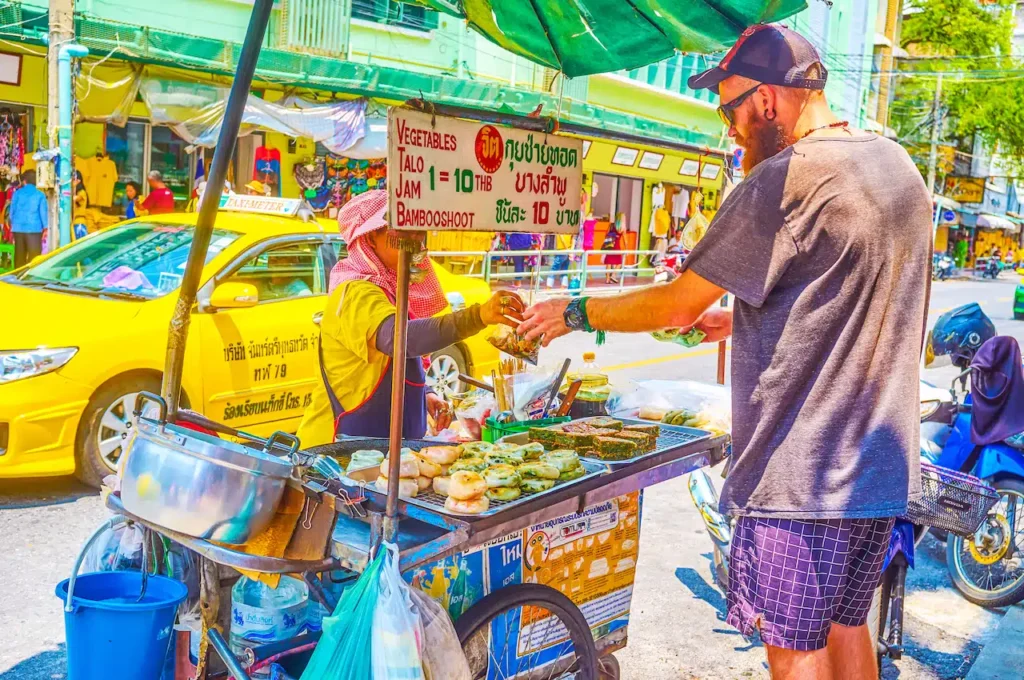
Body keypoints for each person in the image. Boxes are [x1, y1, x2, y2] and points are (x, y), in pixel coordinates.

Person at [518, 24, 931, 680]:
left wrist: (574, 311)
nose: (728, 129)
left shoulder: (784, 180)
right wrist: (739, 321)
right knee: (850, 633)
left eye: (730, 109)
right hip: (877, 469)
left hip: (801, 477)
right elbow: (854, 295)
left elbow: (675, 302)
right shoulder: (896, 167)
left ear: (769, 101)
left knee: (795, 654)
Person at [296, 190, 524, 446]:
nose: (417, 239)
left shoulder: (390, 292)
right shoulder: (356, 292)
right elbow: (399, 339)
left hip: (384, 451)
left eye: (419, 229)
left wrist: (422, 396)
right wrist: (477, 316)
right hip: (337, 451)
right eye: (404, 230)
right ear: (371, 238)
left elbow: (384, 366)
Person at [9, 170, 47, 267]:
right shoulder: (40, 195)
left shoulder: (17, 193)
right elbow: (43, 213)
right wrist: (45, 228)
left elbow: (11, 212)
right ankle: (31, 279)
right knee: (34, 258)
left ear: (24, 181)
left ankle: (17, 279)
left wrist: (12, 225)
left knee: (19, 257)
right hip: (34, 229)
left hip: (18, 229)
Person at [602, 214, 623, 284]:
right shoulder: (622, 228)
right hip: (617, 246)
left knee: (609, 262)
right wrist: (626, 248)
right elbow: (625, 240)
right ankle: (613, 275)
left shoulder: (611, 225)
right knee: (619, 262)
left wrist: (611, 236)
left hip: (610, 246)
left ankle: (607, 279)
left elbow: (606, 234)